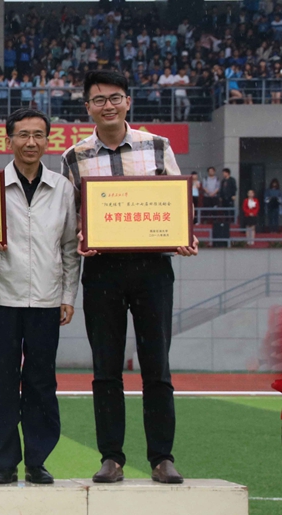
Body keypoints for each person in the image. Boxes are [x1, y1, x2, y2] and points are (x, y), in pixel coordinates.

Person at [61, 70, 198, 485]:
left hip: (152, 267)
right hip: (101, 269)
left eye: (115, 97)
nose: (108, 106)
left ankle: (162, 458)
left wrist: (184, 234)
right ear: (87, 107)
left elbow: (178, 201)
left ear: (128, 101)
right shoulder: (73, 157)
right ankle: (111, 458)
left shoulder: (157, 145)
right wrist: (81, 236)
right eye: (99, 100)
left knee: (157, 366)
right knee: (106, 368)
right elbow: (70, 217)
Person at [0, 109, 79, 485]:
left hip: (47, 300)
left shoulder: (62, 188)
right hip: (3, 297)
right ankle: (4, 463)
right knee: (3, 383)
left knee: (41, 383)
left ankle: (37, 460)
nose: (30, 142)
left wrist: (68, 294)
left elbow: (70, 248)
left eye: (38, 135)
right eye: (23, 135)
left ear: (48, 141)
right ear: (9, 140)